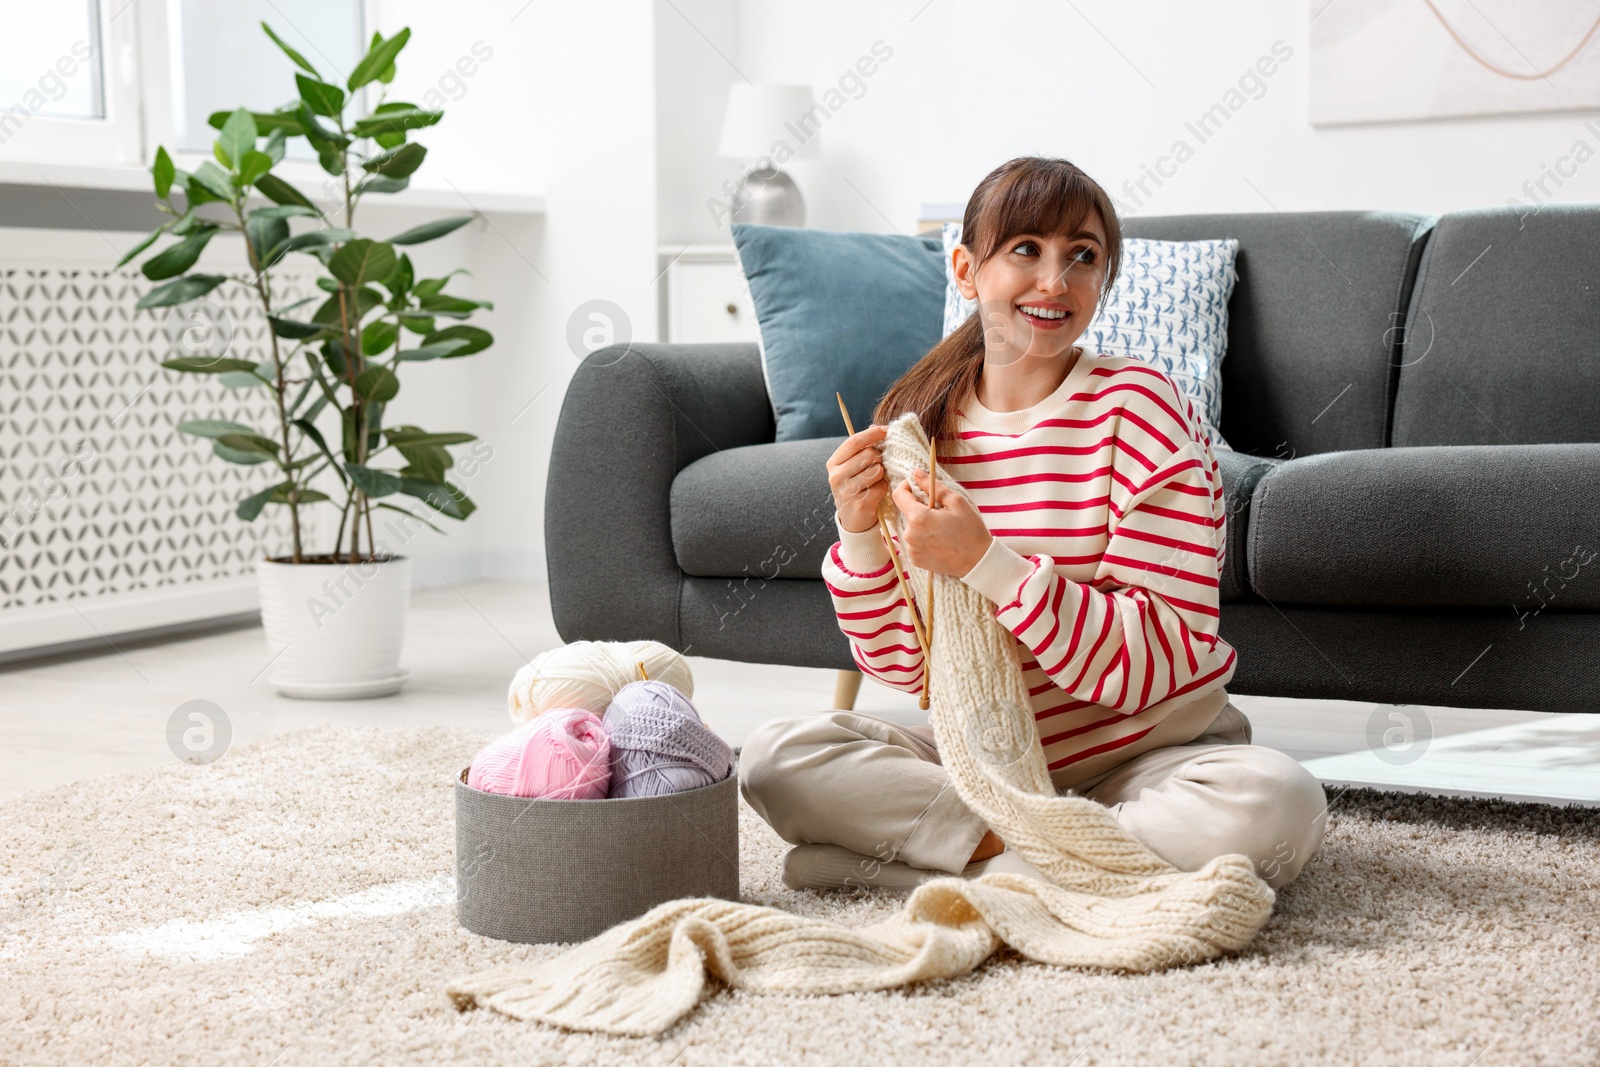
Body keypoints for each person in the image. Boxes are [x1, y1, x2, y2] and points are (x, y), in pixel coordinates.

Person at [738, 155, 1329, 895]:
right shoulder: (917, 433)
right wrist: (858, 534)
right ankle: (1064, 863)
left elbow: (1165, 657)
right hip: (983, 762)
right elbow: (909, 670)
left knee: (1279, 802)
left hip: (1150, 756)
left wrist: (987, 562)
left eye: (1081, 257)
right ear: (965, 268)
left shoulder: (1140, 409)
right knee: (775, 758)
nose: (1055, 281)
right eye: (1026, 249)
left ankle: (959, 869)